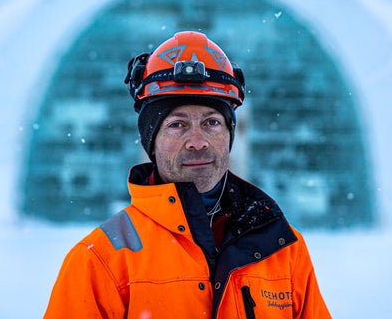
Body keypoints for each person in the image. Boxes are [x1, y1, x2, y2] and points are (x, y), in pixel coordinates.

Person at [43, 31, 331, 318]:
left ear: (230, 134)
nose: (197, 141)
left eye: (212, 122)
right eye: (177, 125)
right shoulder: (102, 260)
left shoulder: (283, 249)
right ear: (151, 142)